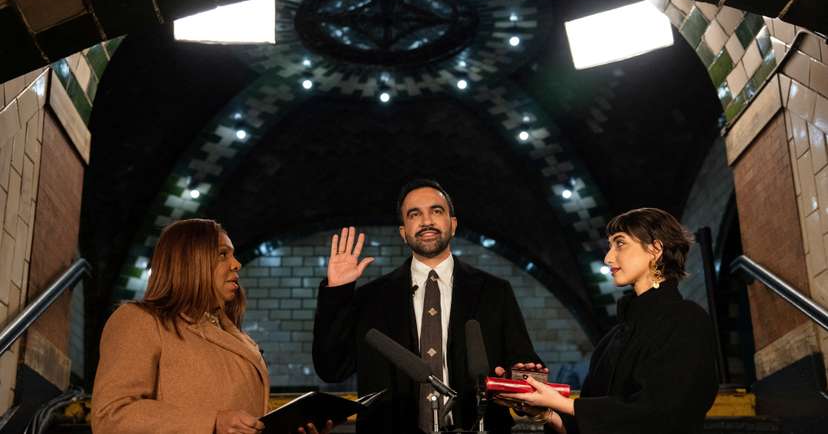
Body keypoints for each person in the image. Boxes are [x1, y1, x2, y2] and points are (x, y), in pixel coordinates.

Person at [313, 179, 545, 434]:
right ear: (403, 232)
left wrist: (523, 377)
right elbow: (331, 369)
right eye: (415, 214)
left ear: (453, 225)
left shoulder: (495, 292)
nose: (426, 221)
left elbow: (523, 366)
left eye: (436, 211)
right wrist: (338, 292)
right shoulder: (371, 298)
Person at [91, 219, 331, 434]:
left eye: (233, 255)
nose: (236, 264)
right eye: (222, 254)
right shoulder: (139, 320)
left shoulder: (239, 339)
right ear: (189, 261)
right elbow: (112, 415)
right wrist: (212, 422)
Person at [498, 208, 719, 434]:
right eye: (610, 245)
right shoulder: (611, 340)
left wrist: (563, 403)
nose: (608, 258)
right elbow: (593, 426)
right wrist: (545, 411)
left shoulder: (686, 320)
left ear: (655, 249)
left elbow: (665, 412)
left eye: (620, 243)